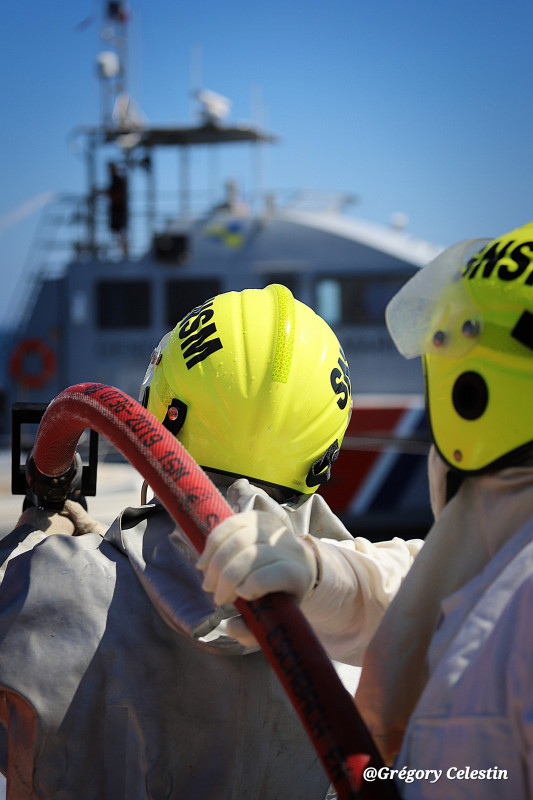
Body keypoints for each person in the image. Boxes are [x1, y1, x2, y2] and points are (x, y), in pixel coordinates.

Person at [0, 284, 420, 799]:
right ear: (322, 454)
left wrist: (36, 543)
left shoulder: (46, 585)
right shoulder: (376, 618)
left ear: (163, 414)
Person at [201, 225, 533, 799]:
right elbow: (419, 589)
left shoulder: (501, 642)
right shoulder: (502, 560)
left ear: (470, 398)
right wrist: (319, 574)